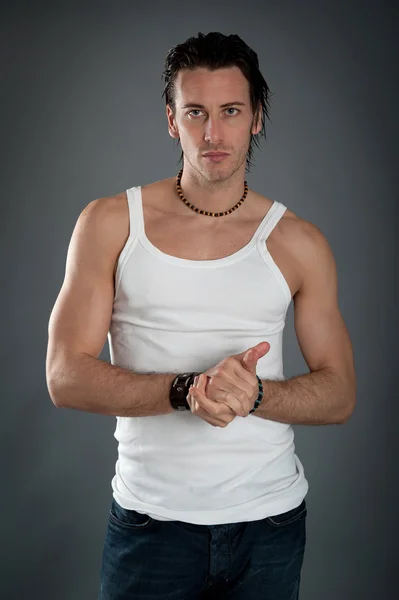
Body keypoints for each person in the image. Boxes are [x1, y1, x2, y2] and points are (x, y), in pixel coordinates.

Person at [46, 31, 356, 600]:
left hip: (271, 526)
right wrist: (187, 389)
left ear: (256, 118)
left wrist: (255, 395)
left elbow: (340, 394)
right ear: (172, 120)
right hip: (151, 526)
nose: (213, 134)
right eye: (196, 113)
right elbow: (64, 376)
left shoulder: (298, 242)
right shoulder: (112, 223)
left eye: (231, 111)